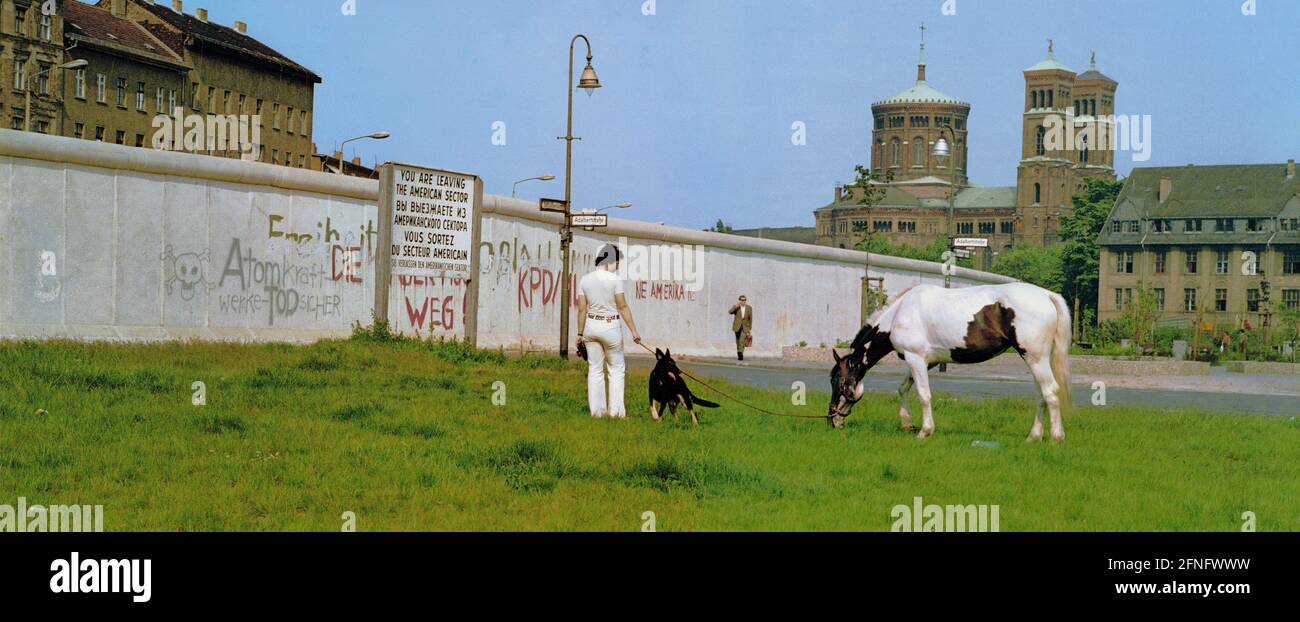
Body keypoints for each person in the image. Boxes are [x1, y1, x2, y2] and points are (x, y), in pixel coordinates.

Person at [576, 244, 642, 418]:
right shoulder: (615, 280)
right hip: (611, 327)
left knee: (595, 370)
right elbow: (622, 306)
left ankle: (597, 413)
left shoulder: (584, 280)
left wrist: (579, 334)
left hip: (591, 327)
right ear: (609, 260)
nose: (618, 266)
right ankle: (617, 413)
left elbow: (582, 310)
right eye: (617, 262)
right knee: (616, 369)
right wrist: (634, 331)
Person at [728, 295, 753, 361]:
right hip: (737, 326)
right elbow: (730, 312)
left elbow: (750, 319)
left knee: (742, 340)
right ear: (739, 300)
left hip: (745, 327)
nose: (743, 301)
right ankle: (739, 352)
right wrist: (735, 306)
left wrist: (749, 328)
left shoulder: (749, 308)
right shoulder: (736, 307)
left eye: (744, 300)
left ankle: (740, 353)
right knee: (738, 341)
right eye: (742, 300)